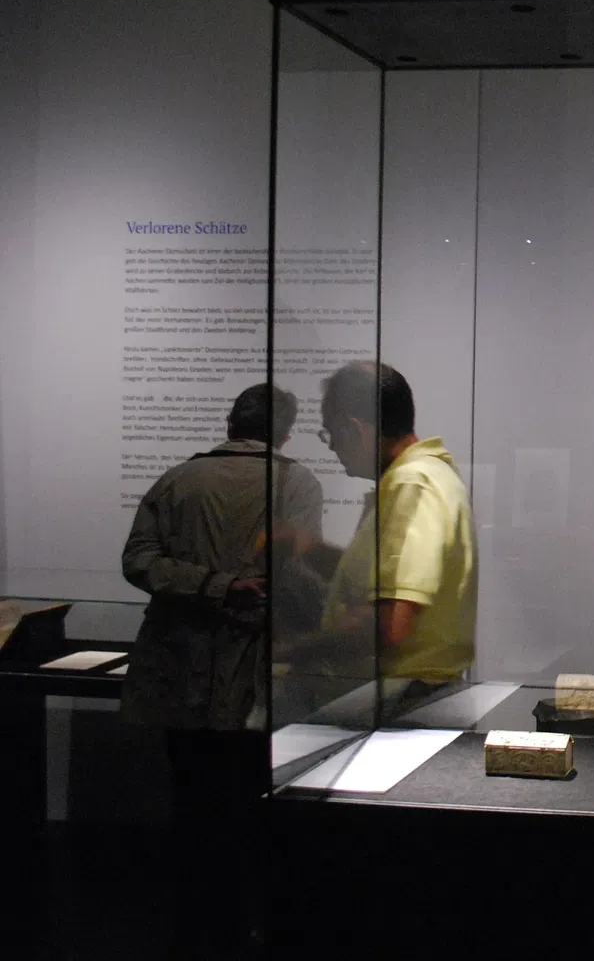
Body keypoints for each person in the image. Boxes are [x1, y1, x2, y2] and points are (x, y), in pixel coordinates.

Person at [120, 381, 321, 959]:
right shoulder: (296, 482)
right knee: (251, 806)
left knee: (192, 802)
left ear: (231, 422)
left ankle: (196, 927)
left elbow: (138, 560)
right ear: (285, 433)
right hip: (253, 673)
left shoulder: (178, 479)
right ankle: (246, 925)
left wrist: (211, 585)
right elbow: (295, 571)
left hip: (178, 670)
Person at [280, 361, 477, 719]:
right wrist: (311, 550)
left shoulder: (413, 485)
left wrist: (291, 650)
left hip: (401, 705)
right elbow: (380, 583)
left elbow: (389, 623)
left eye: (330, 434)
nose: (331, 446)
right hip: (406, 701)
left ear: (355, 430)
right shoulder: (420, 478)